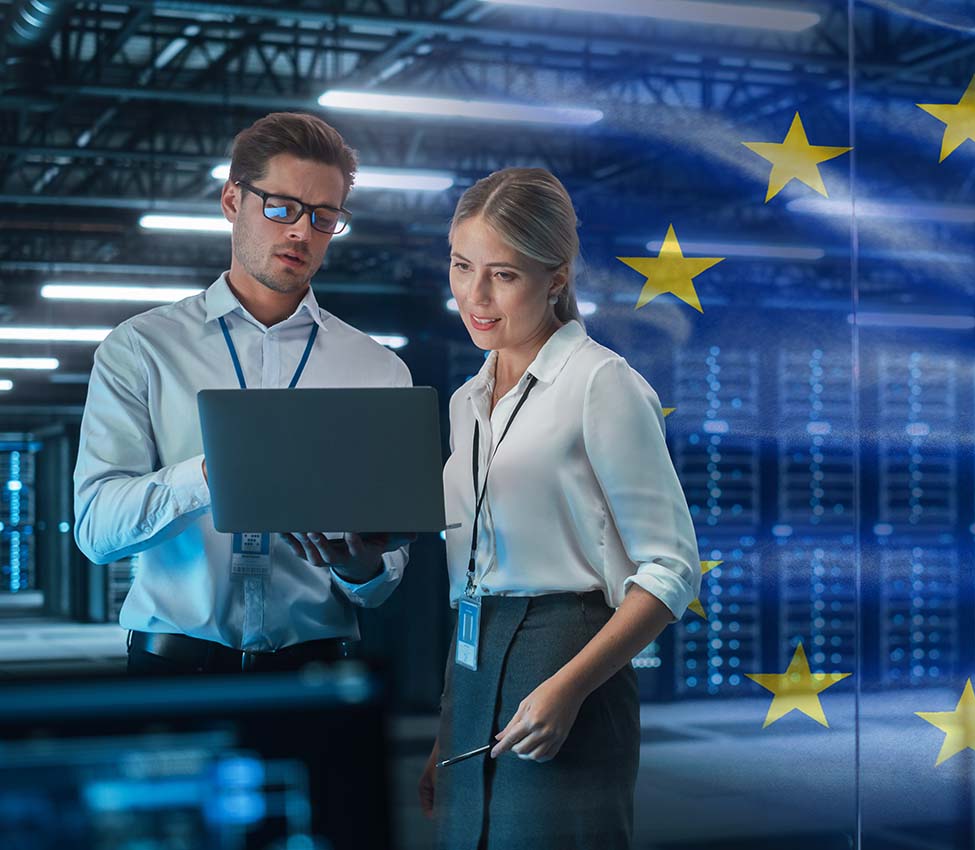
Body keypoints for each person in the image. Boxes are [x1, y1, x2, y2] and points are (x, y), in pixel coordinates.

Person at [419, 167, 701, 849]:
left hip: (571, 658)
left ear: (556, 277)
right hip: (472, 664)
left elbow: (671, 571)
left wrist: (567, 688)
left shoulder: (600, 384)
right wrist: (446, 728)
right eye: (462, 266)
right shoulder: (465, 403)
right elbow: (472, 581)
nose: (475, 296)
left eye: (503, 275)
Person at [73, 112, 413, 674]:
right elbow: (96, 533)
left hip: (317, 676)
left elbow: (380, 586)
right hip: (174, 673)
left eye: (325, 217)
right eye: (281, 208)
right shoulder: (141, 349)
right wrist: (212, 475)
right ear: (232, 200)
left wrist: (362, 566)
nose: (301, 232)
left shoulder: (377, 370)